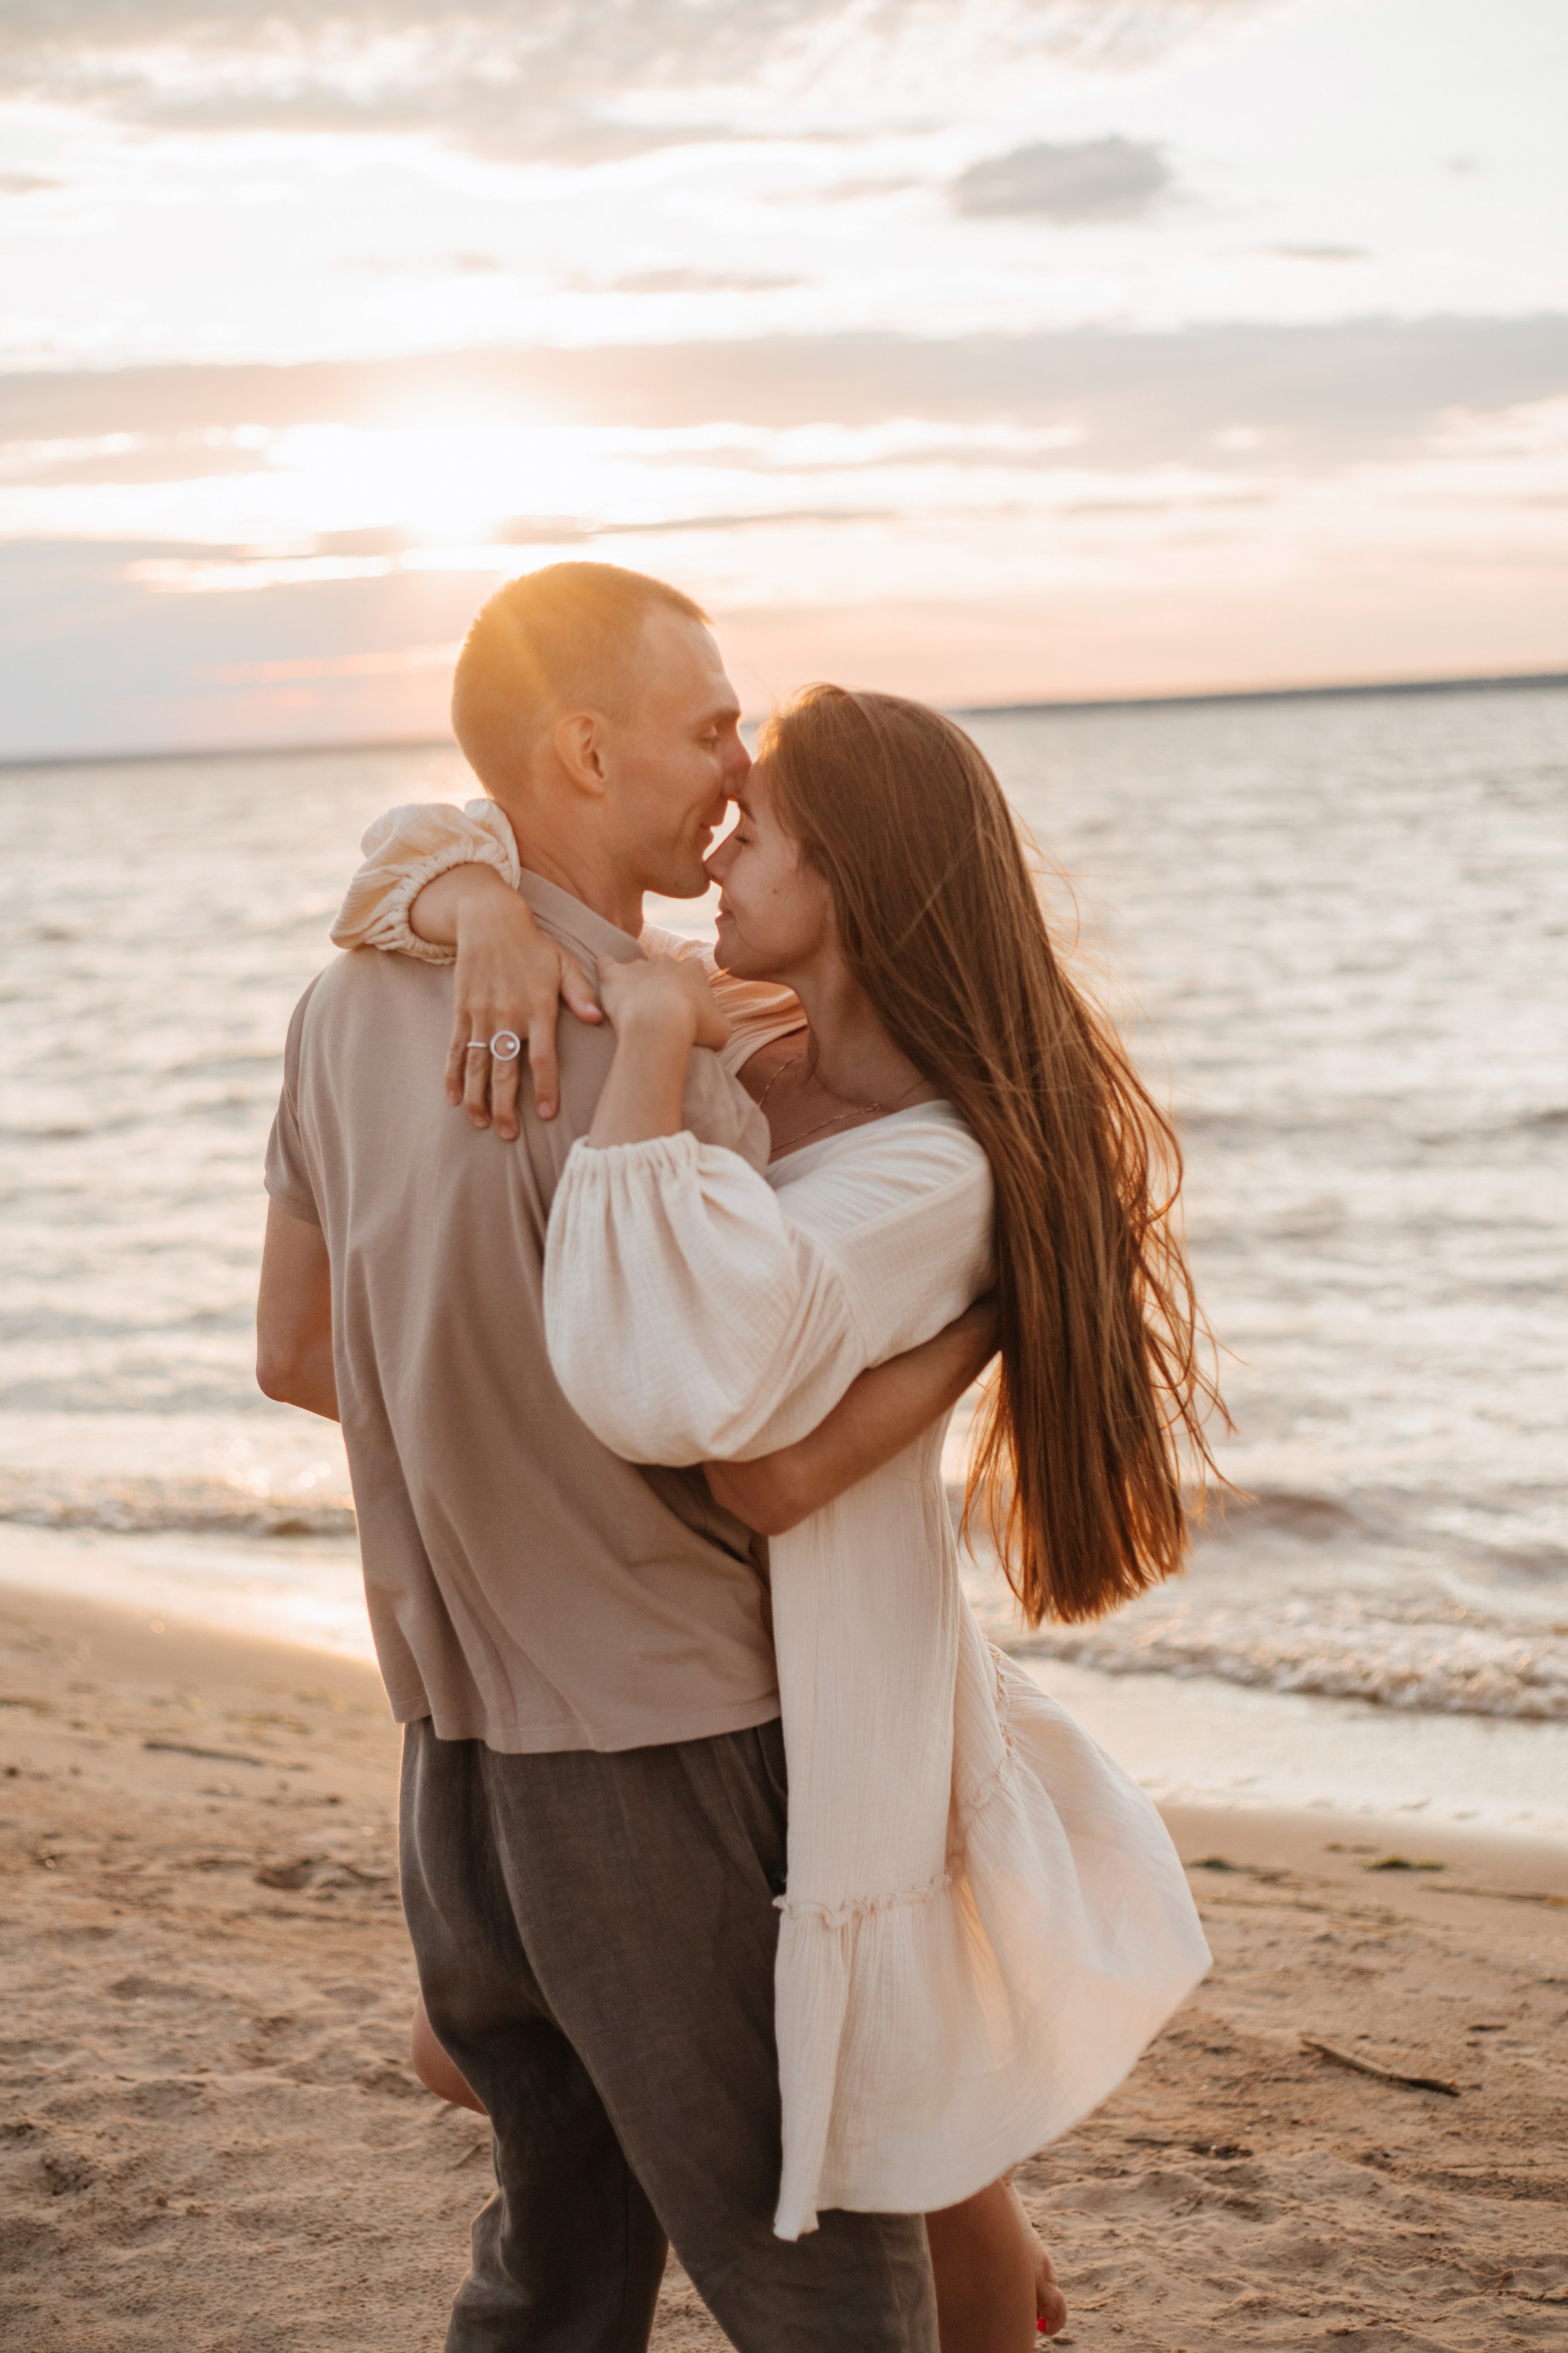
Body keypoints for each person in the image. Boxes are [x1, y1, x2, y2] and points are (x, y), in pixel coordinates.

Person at [331, 640, 1221, 2348]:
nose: (723, 839)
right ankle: (981, 2230)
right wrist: (481, 906)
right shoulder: (770, 1044)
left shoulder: (924, 1163)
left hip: (804, 1679)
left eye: (764, 832)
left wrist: (657, 1043)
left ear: (858, 883)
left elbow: (738, 1439)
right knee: (716, 2102)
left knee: (840, 2150)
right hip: (721, 1673)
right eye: (724, 807)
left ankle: (980, 2245)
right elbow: (399, 850)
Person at [258, 563, 1014, 2353]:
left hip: (449, 1753)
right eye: (706, 727)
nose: (735, 765)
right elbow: (727, 1418)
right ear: (585, 748)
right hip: (657, 1740)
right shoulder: (670, 1070)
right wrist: (988, 1314)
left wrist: (483, 1443)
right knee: (816, 2264)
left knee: (560, 2252)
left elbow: (297, 1355)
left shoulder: (341, 998)